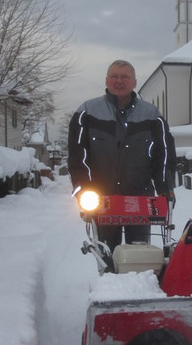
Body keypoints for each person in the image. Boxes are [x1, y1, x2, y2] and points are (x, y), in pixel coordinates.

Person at [67, 59, 176, 251]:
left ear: (134, 82)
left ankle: (139, 271)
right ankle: (109, 271)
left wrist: (165, 188)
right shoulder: (87, 112)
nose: (119, 81)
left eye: (125, 77)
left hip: (140, 199)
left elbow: (164, 155)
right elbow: (78, 156)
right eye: (114, 76)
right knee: (106, 252)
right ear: (106, 80)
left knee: (139, 252)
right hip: (102, 198)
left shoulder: (152, 115)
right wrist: (83, 189)